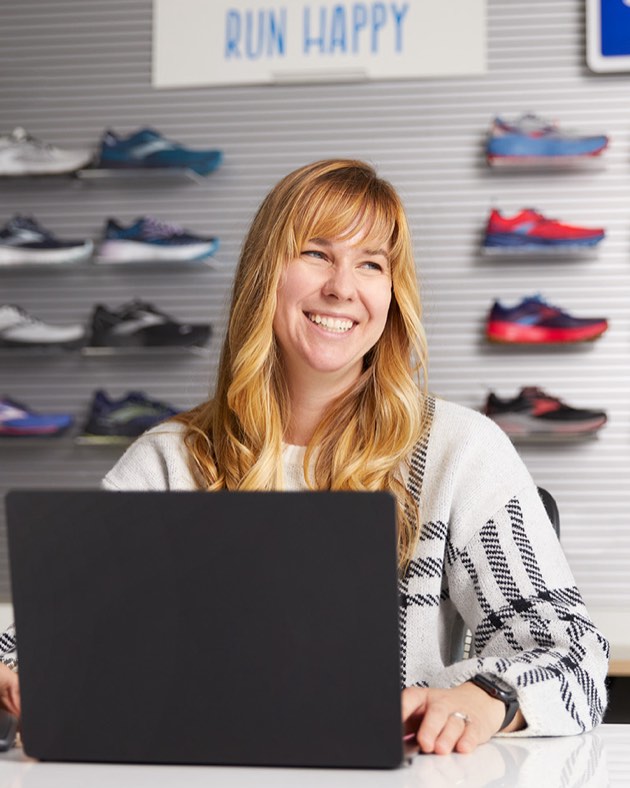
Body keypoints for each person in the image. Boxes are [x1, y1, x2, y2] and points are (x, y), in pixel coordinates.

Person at [0, 159, 608, 754]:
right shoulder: (170, 459)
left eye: (371, 264)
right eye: (316, 253)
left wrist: (487, 697)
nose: (342, 287)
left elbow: (575, 654)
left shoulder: (457, 449)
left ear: (392, 296)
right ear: (267, 272)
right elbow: (30, 641)